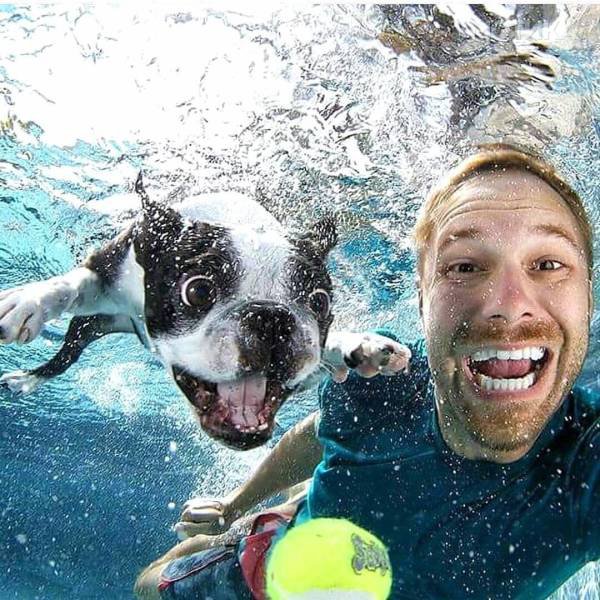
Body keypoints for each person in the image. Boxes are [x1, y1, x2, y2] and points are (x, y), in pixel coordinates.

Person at [134, 145, 599, 599]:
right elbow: (319, 433)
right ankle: (274, 517)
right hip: (284, 567)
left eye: (548, 264)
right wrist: (234, 505)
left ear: (590, 295)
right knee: (150, 587)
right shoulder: (383, 373)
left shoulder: (583, 460)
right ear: (422, 297)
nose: (509, 305)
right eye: (464, 266)